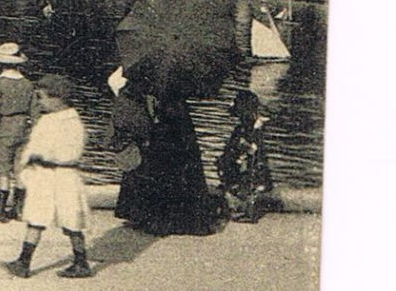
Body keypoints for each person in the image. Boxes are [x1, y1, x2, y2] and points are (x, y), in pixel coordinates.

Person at [109, 63, 225, 236]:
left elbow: (117, 83)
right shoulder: (181, 67)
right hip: (176, 117)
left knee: (155, 166)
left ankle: (153, 217)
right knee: (177, 166)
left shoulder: (143, 64)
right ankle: (178, 218)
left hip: (163, 117)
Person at [2, 74, 93, 279]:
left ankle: (25, 262)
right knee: (70, 220)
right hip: (68, 176)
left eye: (41, 97)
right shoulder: (75, 120)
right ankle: (80, 261)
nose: (39, 102)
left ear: (57, 98)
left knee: (39, 217)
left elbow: (41, 148)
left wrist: (29, 161)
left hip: (49, 174)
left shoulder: (50, 122)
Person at [0, 42, 36, 222]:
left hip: (5, 126)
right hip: (24, 127)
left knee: (3, 168)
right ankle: (19, 208)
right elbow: (35, 111)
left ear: (0, 63)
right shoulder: (28, 84)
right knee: (21, 168)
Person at [217, 89, 274, 224]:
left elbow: (253, 151)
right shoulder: (246, 127)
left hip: (249, 167)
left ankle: (247, 208)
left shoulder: (253, 128)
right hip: (245, 163)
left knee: (246, 172)